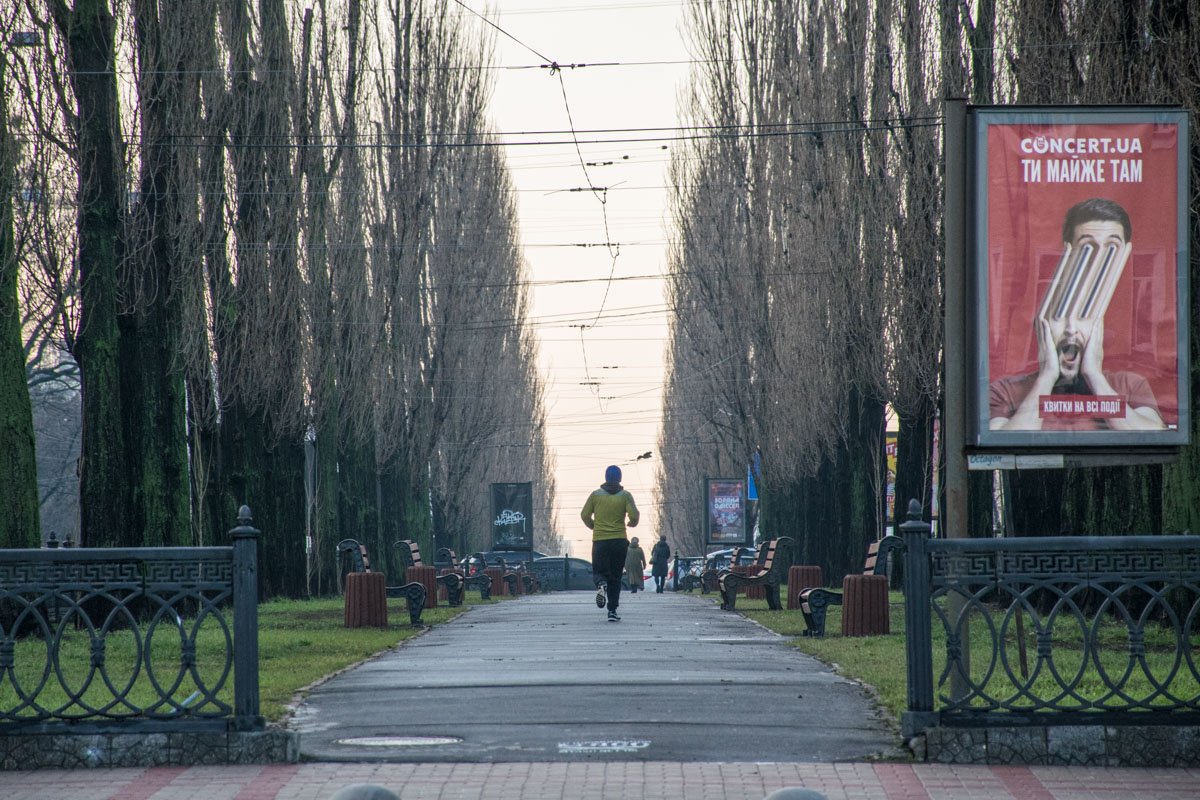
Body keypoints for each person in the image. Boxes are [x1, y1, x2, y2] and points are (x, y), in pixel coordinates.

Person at [989, 197, 1165, 432]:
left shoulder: (1129, 385)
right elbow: (1005, 443)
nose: (1071, 329)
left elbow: (1151, 436)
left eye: (1112, 247)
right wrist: (1047, 376)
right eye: (1087, 247)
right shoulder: (1006, 391)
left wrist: (1094, 376)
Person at [581, 464, 640, 622]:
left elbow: (584, 515)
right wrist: (631, 523)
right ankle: (612, 611)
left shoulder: (595, 495)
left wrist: (594, 526)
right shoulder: (625, 495)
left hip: (600, 541)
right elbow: (634, 516)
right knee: (615, 576)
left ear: (605, 477)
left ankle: (601, 583)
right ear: (620, 478)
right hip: (619, 541)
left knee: (599, 570)